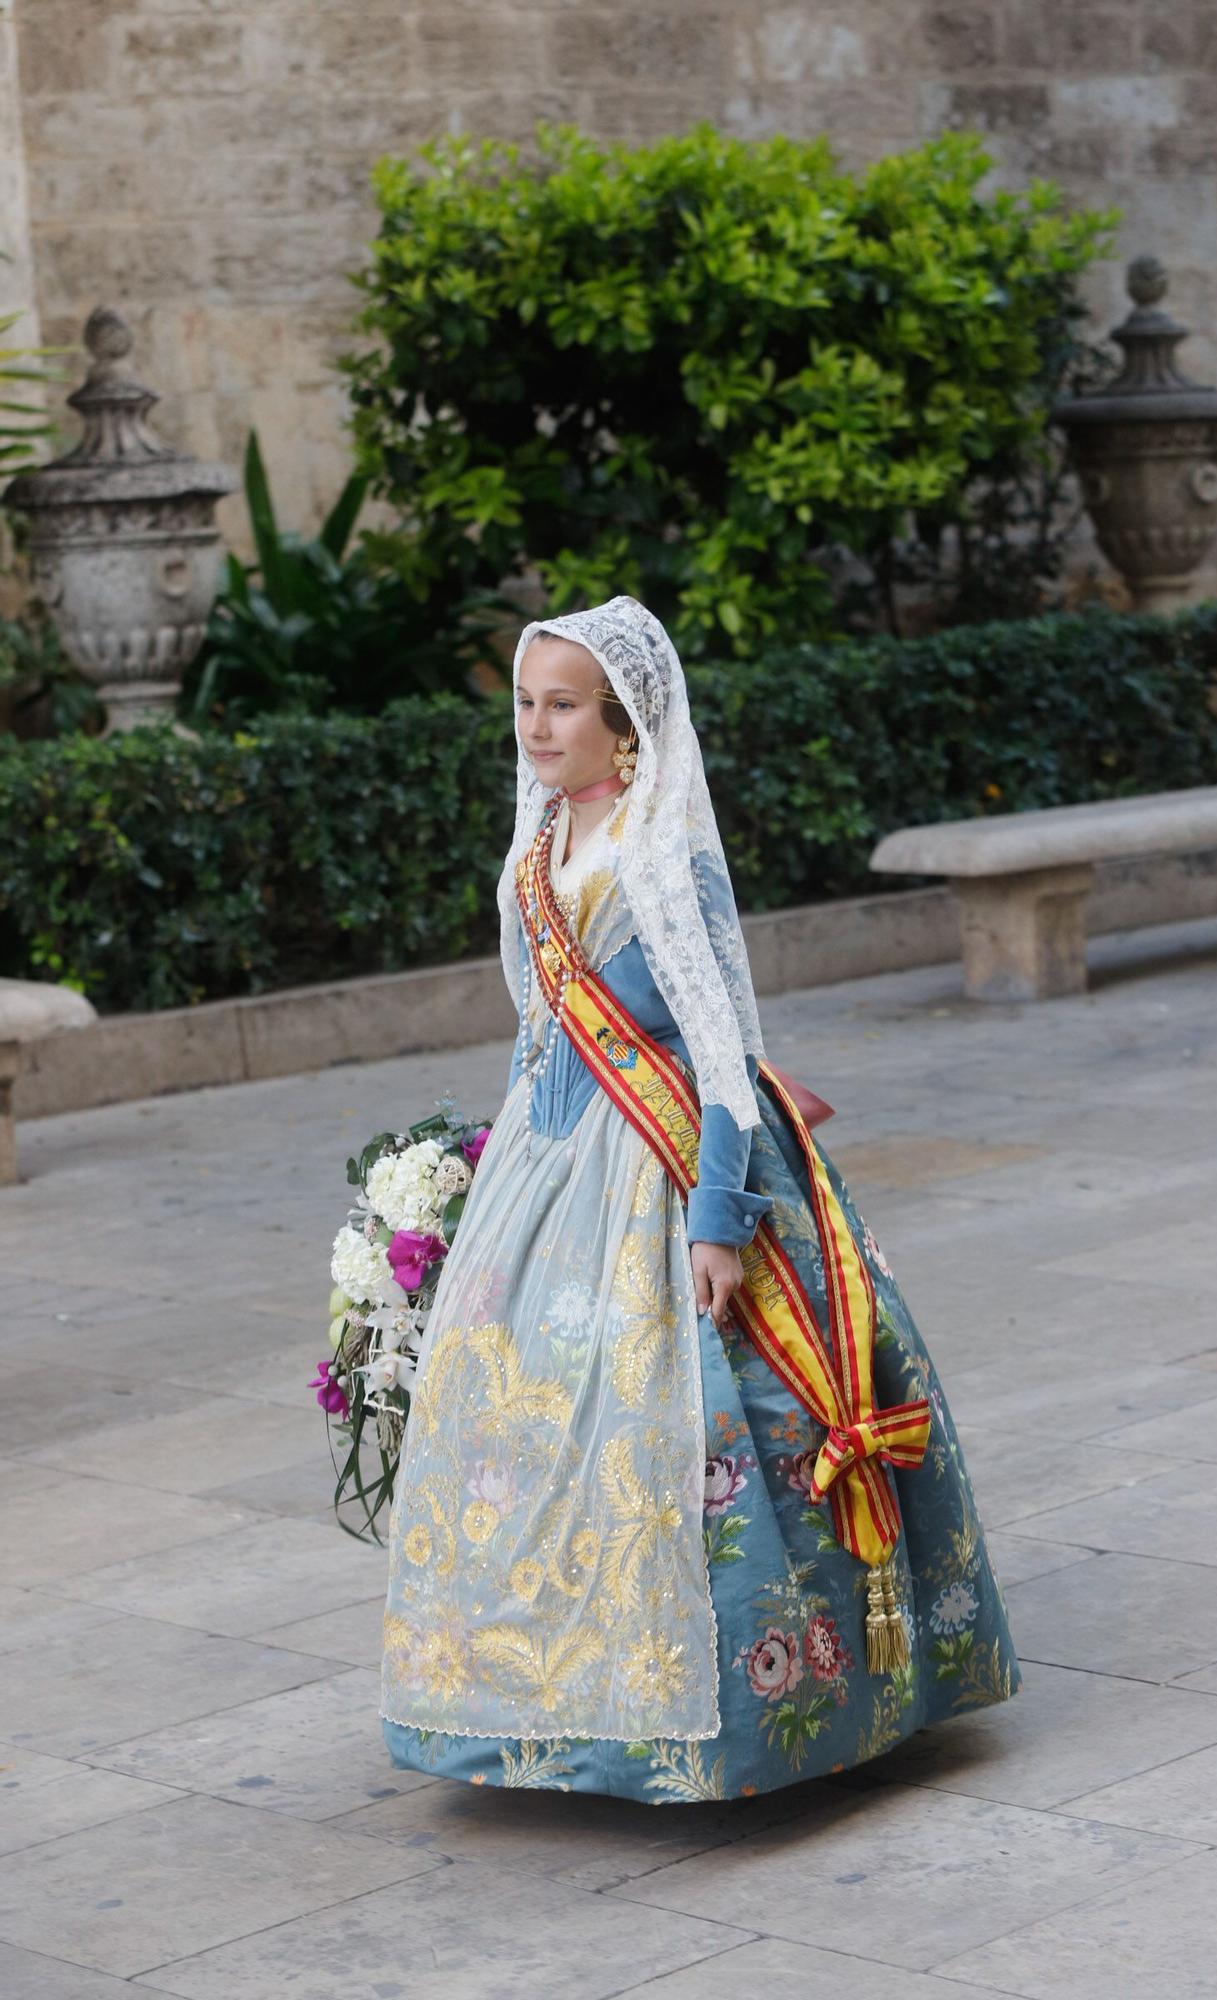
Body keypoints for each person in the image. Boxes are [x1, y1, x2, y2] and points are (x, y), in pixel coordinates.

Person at [380, 596, 1019, 1802]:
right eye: (525, 701)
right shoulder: (537, 847)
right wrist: (491, 1175)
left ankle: (765, 1706)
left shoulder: (658, 852)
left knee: (687, 1429)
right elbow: (539, 1030)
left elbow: (721, 1047)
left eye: (562, 704)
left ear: (624, 726)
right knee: (526, 1426)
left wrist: (718, 1217)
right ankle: (534, 1700)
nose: (535, 725)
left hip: (671, 1162)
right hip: (555, 1160)